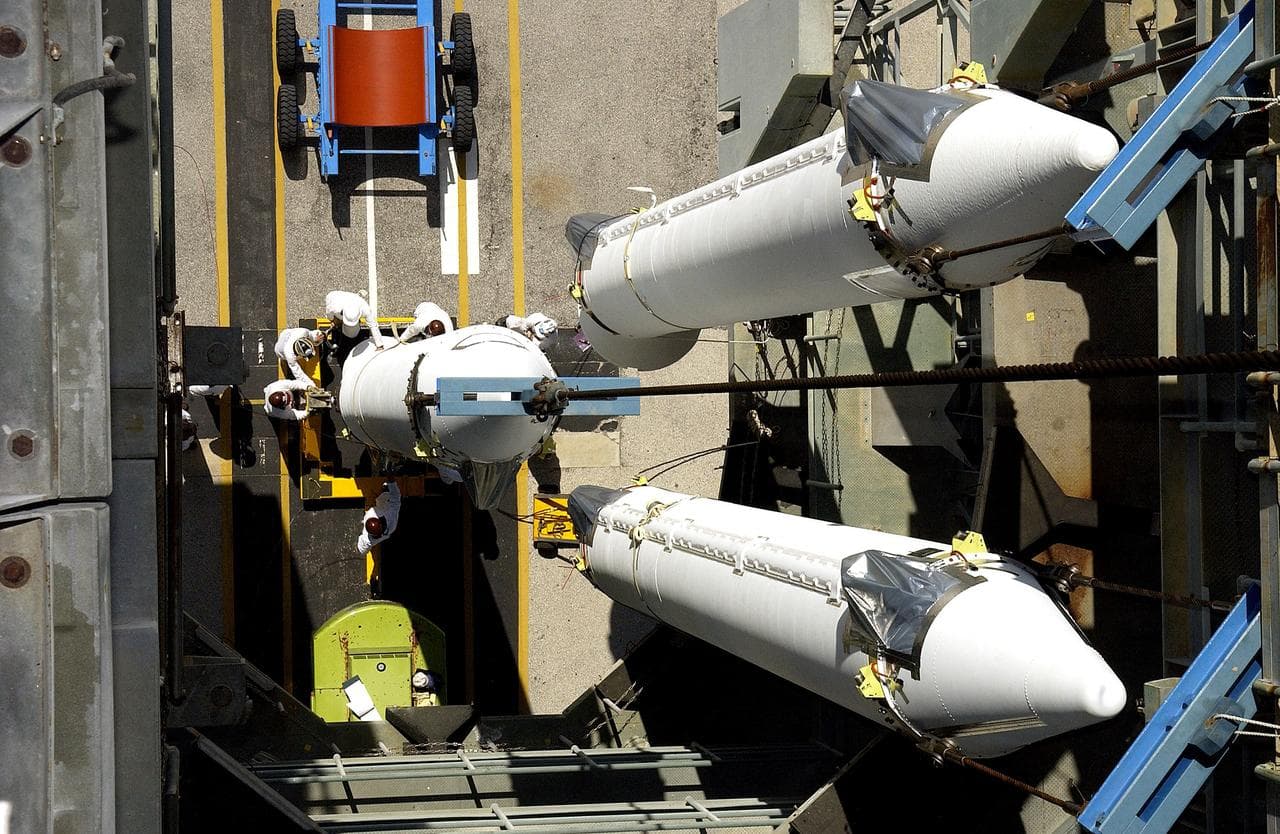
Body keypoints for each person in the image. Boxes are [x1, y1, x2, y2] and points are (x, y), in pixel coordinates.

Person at [357, 481, 401, 556]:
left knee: (381, 500)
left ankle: (384, 492)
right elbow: (396, 499)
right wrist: (391, 482)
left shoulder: (367, 540)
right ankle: (385, 491)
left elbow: (361, 550)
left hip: (375, 510)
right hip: (381, 508)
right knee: (384, 498)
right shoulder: (391, 520)